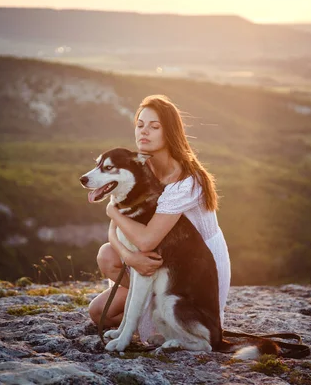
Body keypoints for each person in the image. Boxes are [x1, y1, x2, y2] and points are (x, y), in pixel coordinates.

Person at [88, 94, 231, 343]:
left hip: (194, 264)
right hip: (160, 253)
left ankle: (170, 313)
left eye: (154, 127)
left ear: (170, 133)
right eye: (140, 125)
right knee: (101, 295)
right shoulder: (140, 166)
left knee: (141, 316)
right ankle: (147, 299)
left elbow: (146, 240)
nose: (144, 132)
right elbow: (118, 227)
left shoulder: (186, 180)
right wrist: (129, 255)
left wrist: (113, 211)